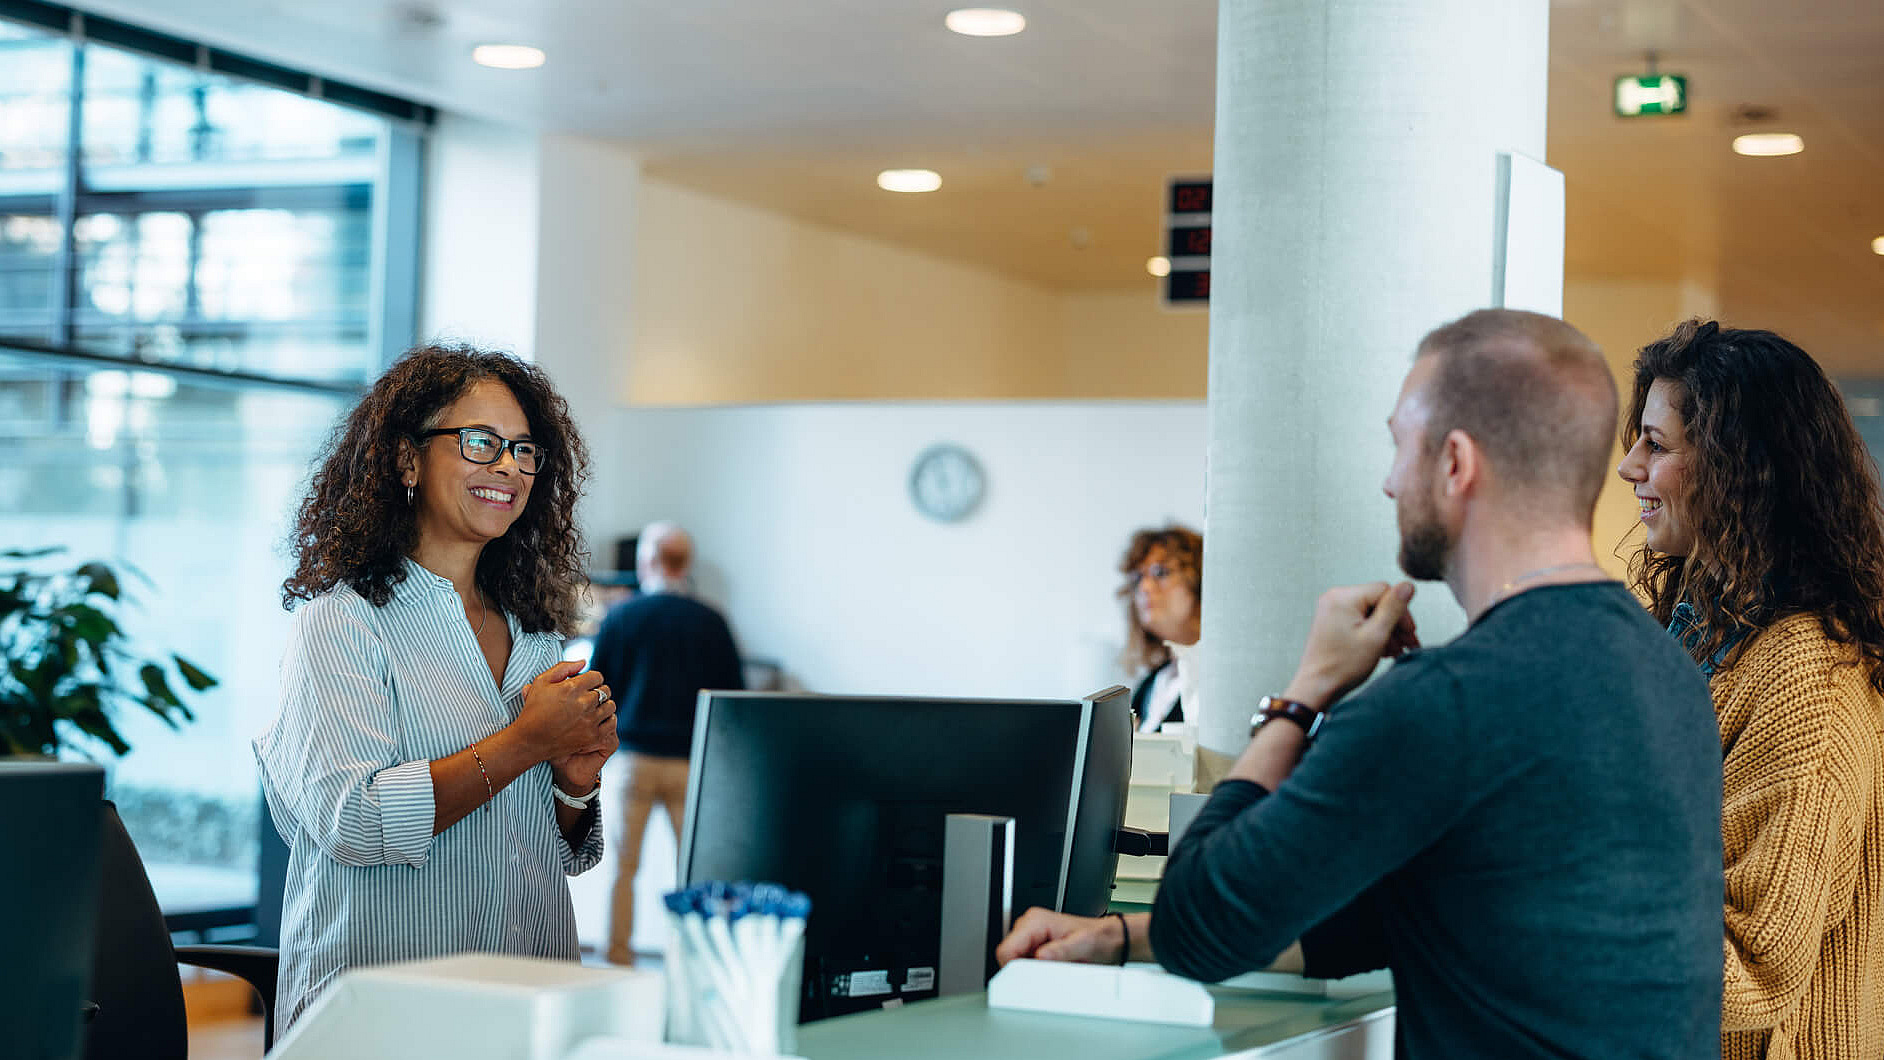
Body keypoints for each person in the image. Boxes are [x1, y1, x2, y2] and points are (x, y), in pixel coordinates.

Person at [996, 309, 1724, 1058]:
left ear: (1455, 463)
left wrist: (1303, 693)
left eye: (1399, 446)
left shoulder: (1444, 702)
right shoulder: (1666, 669)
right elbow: (1370, 920)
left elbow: (1199, 923)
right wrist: (1117, 937)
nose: (1387, 481)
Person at [256, 344, 617, 1030]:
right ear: (407, 459)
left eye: (524, 450)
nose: (508, 466)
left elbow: (544, 850)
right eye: (481, 442)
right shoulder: (341, 621)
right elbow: (353, 820)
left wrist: (573, 782)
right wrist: (524, 741)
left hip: (524, 995)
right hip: (380, 1010)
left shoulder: (534, 634)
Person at [1617, 320, 1884, 1060]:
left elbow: (1755, 965)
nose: (1628, 467)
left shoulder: (1805, 673)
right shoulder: (1700, 632)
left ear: (1743, 468)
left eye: (1657, 445)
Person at [592, 522, 745, 966]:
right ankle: (691, 958)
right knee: (691, 871)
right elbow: (730, 700)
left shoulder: (621, 617)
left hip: (633, 762)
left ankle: (617, 957)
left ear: (646, 561)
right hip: (689, 765)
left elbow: (599, 690)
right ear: (686, 563)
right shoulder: (712, 622)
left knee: (623, 869)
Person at [1119, 525, 1203, 733]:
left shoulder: (1217, 680)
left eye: (1160, 572)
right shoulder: (1150, 685)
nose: (1144, 588)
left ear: (1200, 580)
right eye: (1138, 578)